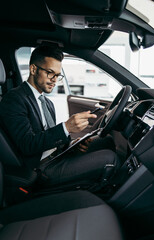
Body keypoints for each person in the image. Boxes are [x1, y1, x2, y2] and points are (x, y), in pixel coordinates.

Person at [0, 45, 119, 191]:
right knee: (110, 158)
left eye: (57, 75)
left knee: (106, 141)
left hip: (57, 156)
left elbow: (49, 138)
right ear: (33, 69)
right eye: (50, 73)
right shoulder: (15, 99)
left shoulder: (47, 103)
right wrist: (66, 128)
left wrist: (72, 145)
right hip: (42, 168)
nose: (54, 80)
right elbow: (27, 144)